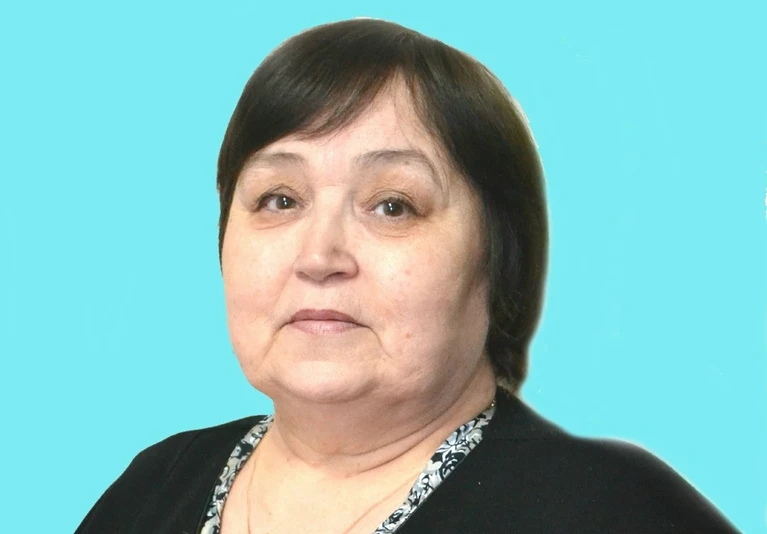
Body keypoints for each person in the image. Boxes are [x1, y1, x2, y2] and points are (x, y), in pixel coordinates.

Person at [75, 18, 740, 534]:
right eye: (279, 199)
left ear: (498, 259)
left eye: (393, 206)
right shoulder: (156, 485)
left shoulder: (612, 511)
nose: (319, 255)